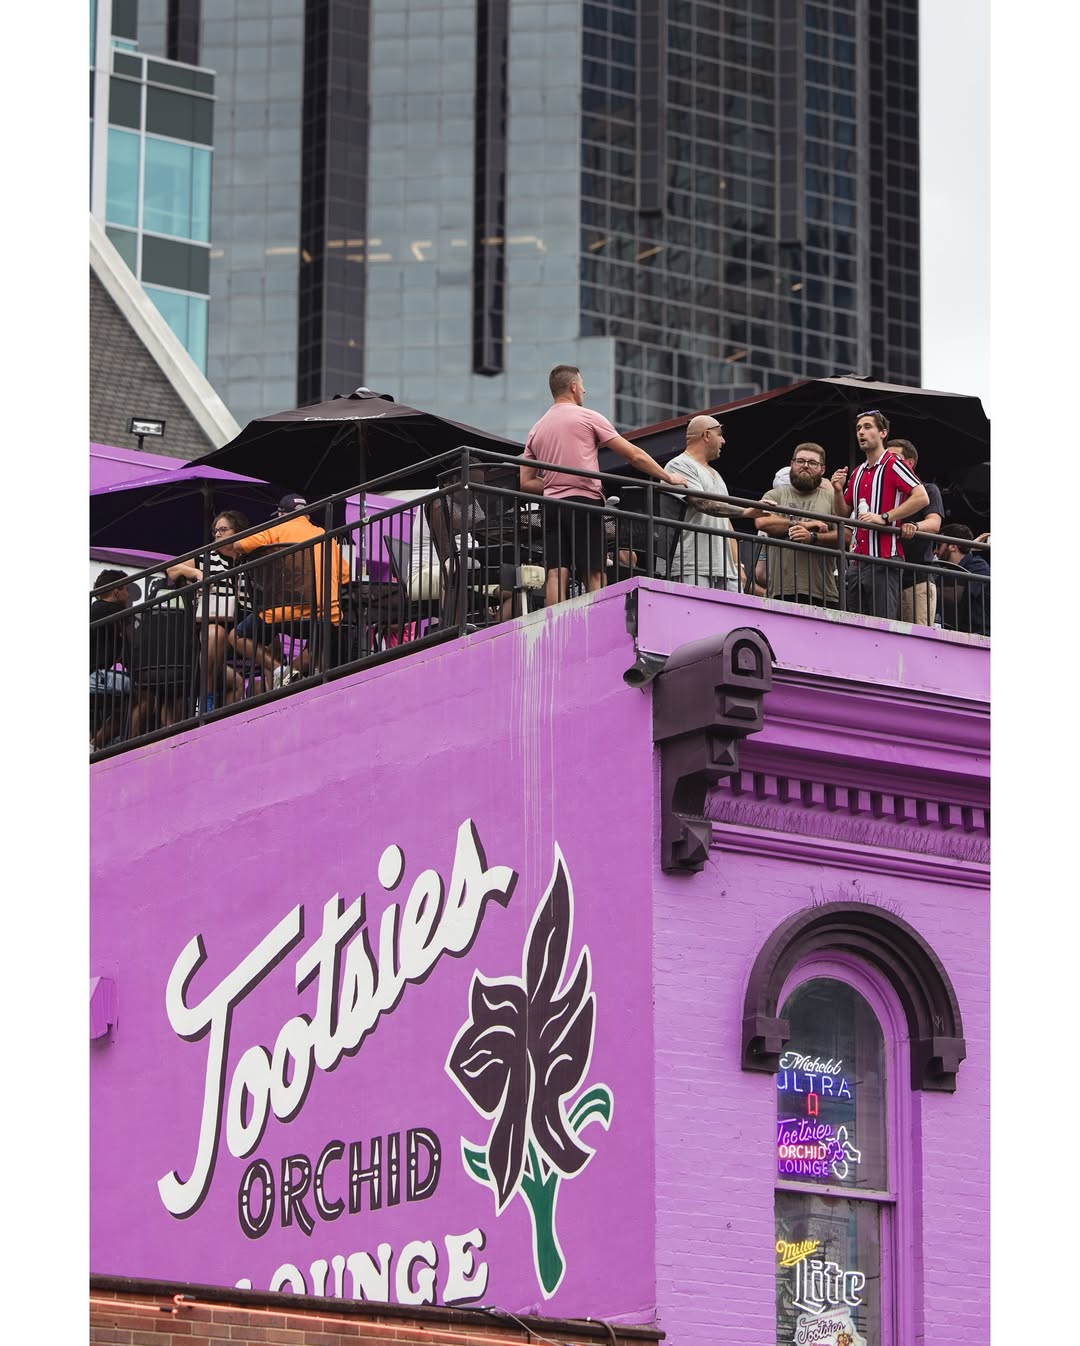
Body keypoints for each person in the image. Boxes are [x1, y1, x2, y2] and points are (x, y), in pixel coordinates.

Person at [520, 365, 687, 606]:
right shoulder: (588, 417)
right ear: (573, 387)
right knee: (595, 572)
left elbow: (526, 482)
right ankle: (596, 621)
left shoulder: (537, 429)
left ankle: (555, 624)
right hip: (585, 503)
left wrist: (556, 485)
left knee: (556, 573)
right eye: (582, 386)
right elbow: (634, 455)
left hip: (552, 507)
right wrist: (668, 477)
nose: (584, 391)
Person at [220, 493, 349, 684]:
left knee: (236, 636)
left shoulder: (275, 529)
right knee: (318, 647)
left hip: (282, 612)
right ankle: (303, 680)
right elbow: (345, 575)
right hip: (326, 613)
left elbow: (239, 544)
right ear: (307, 515)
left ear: (281, 514)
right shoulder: (325, 535)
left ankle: (279, 670)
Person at [830, 409, 929, 619]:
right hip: (856, 561)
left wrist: (884, 517)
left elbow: (922, 497)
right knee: (853, 623)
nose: (861, 432)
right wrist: (837, 490)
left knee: (880, 623)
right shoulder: (857, 472)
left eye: (867, 427)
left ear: (883, 433)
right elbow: (843, 513)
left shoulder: (894, 464)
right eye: (858, 428)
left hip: (884, 559)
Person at [161, 511, 255, 705]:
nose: (217, 534)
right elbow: (172, 569)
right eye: (215, 531)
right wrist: (197, 573)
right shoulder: (206, 556)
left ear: (238, 531)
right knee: (215, 635)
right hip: (214, 619)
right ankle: (207, 698)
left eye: (223, 529)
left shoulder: (250, 557)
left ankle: (276, 690)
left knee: (271, 640)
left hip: (245, 620)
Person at [747, 442, 840, 606]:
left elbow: (846, 536)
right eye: (800, 461)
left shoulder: (832, 498)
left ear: (822, 469)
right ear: (792, 464)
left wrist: (813, 537)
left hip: (823, 593)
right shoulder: (775, 495)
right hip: (779, 591)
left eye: (812, 463)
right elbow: (762, 521)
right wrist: (806, 525)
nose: (805, 466)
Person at [663, 415, 743, 590]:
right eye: (719, 434)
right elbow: (701, 502)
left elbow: (726, 523)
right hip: (692, 563)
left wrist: (738, 565)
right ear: (707, 435)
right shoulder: (679, 465)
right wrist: (745, 512)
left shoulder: (716, 474)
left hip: (726, 569)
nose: (723, 441)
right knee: (694, 608)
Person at [90, 569, 149, 748]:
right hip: (95, 676)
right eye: (126, 589)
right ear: (116, 592)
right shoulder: (115, 612)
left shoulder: (93, 609)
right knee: (146, 696)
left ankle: (96, 744)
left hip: (94, 675)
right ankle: (130, 744)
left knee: (122, 704)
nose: (128, 595)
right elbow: (135, 644)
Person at [891, 440, 943, 626]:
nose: (889, 463)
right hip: (888, 577)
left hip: (917, 578)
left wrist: (914, 526)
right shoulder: (888, 493)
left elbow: (934, 523)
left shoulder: (929, 490)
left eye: (894, 458)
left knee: (916, 637)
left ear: (909, 463)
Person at [934, 523, 990, 635]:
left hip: (979, 634)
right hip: (958, 632)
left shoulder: (978, 566)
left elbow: (958, 595)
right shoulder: (945, 569)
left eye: (939, 545)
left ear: (952, 547)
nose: (935, 551)